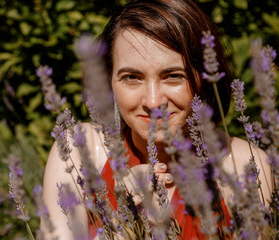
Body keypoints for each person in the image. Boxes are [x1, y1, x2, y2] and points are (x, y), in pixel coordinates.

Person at [43, 0, 272, 239]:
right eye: (132, 77)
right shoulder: (78, 151)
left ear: (204, 78)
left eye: (173, 76)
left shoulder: (245, 167)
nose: (153, 102)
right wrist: (122, 227)